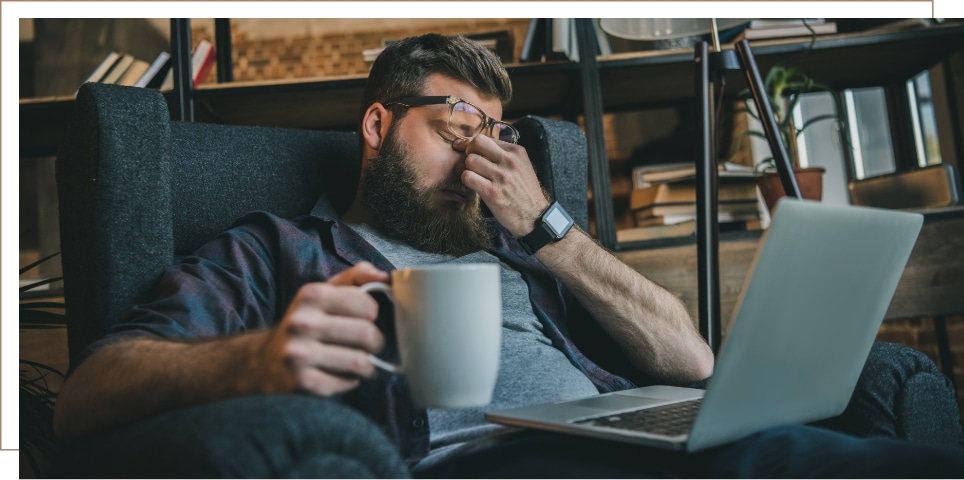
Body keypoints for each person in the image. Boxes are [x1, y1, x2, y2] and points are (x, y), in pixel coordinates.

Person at [52, 33, 964, 478]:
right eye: (458, 127)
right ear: (379, 125)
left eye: (499, 135)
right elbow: (89, 390)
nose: (483, 155)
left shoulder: (527, 249)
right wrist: (254, 357)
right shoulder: (275, 251)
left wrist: (550, 229)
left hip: (634, 442)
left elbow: (695, 364)